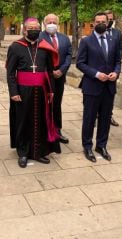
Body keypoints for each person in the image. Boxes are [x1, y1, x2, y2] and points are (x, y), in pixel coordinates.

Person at [7, 18, 61, 168]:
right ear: (24, 30)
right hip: (23, 91)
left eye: (37, 28)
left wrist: (51, 90)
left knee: (40, 121)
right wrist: (13, 92)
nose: (34, 30)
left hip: (42, 90)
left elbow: (49, 71)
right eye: (31, 28)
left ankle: (39, 152)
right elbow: (11, 73)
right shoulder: (15, 47)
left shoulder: (45, 47)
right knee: (23, 122)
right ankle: (23, 153)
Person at [76, 11, 122, 162]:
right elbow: (80, 63)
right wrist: (96, 74)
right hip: (92, 86)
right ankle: (87, 146)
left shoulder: (113, 40)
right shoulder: (86, 41)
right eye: (98, 21)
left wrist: (116, 72)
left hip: (109, 86)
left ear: (108, 23)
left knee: (105, 117)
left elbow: (117, 61)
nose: (101, 23)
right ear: (93, 23)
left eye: (104, 21)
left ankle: (101, 145)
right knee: (89, 118)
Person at [39, 13, 72, 144]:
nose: (51, 24)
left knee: (57, 104)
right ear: (44, 23)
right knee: (43, 104)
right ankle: (44, 131)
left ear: (57, 24)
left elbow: (69, 55)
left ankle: (57, 130)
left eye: (54, 21)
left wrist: (62, 70)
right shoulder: (39, 37)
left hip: (59, 77)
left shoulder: (64, 38)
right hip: (45, 77)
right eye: (49, 22)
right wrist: (50, 71)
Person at [105, 10, 122, 127]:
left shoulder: (117, 33)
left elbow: (121, 48)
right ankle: (97, 115)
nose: (110, 21)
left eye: (111, 19)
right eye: (108, 18)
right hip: (100, 69)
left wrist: (116, 61)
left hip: (113, 69)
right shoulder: (97, 33)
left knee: (111, 93)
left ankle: (109, 115)